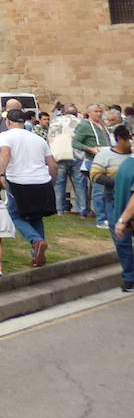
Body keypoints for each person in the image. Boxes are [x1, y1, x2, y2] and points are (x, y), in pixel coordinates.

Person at [0, 108, 58, 266]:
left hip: (19, 181)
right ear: (24, 122)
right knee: (36, 216)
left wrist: (1, 174)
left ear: (8, 122)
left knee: (15, 215)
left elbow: (5, 153)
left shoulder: (5, 136)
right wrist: (52, 182)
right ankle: (38, 253)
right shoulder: (38, 139)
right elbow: (53, 165)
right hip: (42, 181)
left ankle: (36, 241)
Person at [71, 104, 110, 219]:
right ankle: (101, 217)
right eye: (96, 111)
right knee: (99, 190)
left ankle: (107, 215)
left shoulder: (102, 125)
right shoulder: (84, 125)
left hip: (106, 161)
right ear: (89, 113)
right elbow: (75, 143)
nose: (99, 114)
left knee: (106, 190)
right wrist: (90, 149)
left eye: (100, 111)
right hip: (93, 161)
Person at [89, 124, 132, 229]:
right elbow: (94, 175)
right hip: (113, 198)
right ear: (119, 139)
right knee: (117, 229)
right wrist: (120, 182)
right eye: (129, 139)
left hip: (131, 198)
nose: (131, 142)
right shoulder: (104, 155)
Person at [108, 141, 134, 293]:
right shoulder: (126, 163)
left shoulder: (126, 164)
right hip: (122, 215)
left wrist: (123, 219)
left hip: (124, 216)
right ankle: (129, 278)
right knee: (123, 245)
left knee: (123, 245)